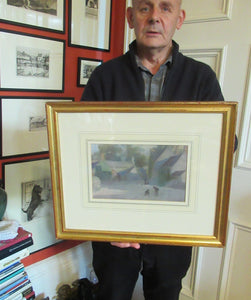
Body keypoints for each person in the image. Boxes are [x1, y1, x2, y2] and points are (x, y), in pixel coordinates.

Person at [81, 0, 225, 299]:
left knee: (165, 294)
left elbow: (223, 143)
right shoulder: (103, 77)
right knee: (111, 293)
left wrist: (217, 138)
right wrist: (103, 224)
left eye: (165, 8)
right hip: (116, 226)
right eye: (145, 8)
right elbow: (82, 153)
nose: (155, 17)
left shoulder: (202, 78)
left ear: (179, 18)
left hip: (175, 225)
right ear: (130, 16)